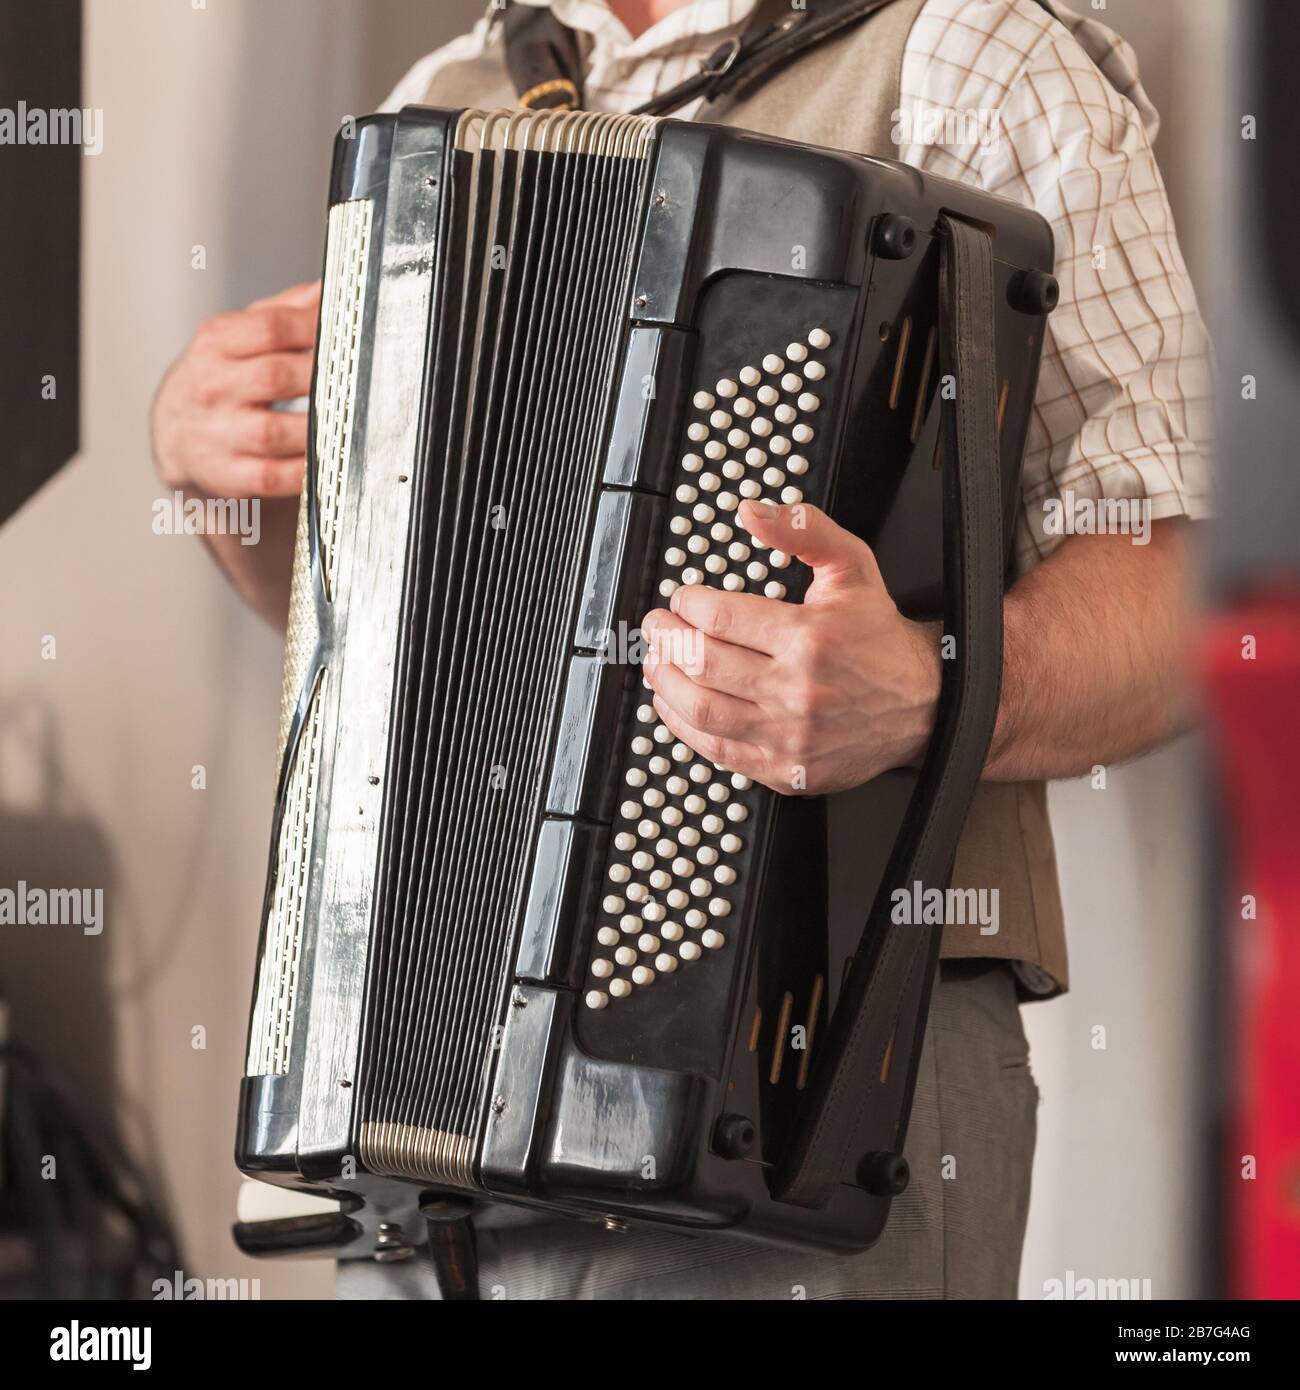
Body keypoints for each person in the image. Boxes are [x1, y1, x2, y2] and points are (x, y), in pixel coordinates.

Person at [151, 0, 1213, 1299]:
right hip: (425, 1153)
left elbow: (1193, 593)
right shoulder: (451, 95)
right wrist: (222, 478)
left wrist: (925, 693)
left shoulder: (968, 53)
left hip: (808, 1117)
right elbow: (393, 651)